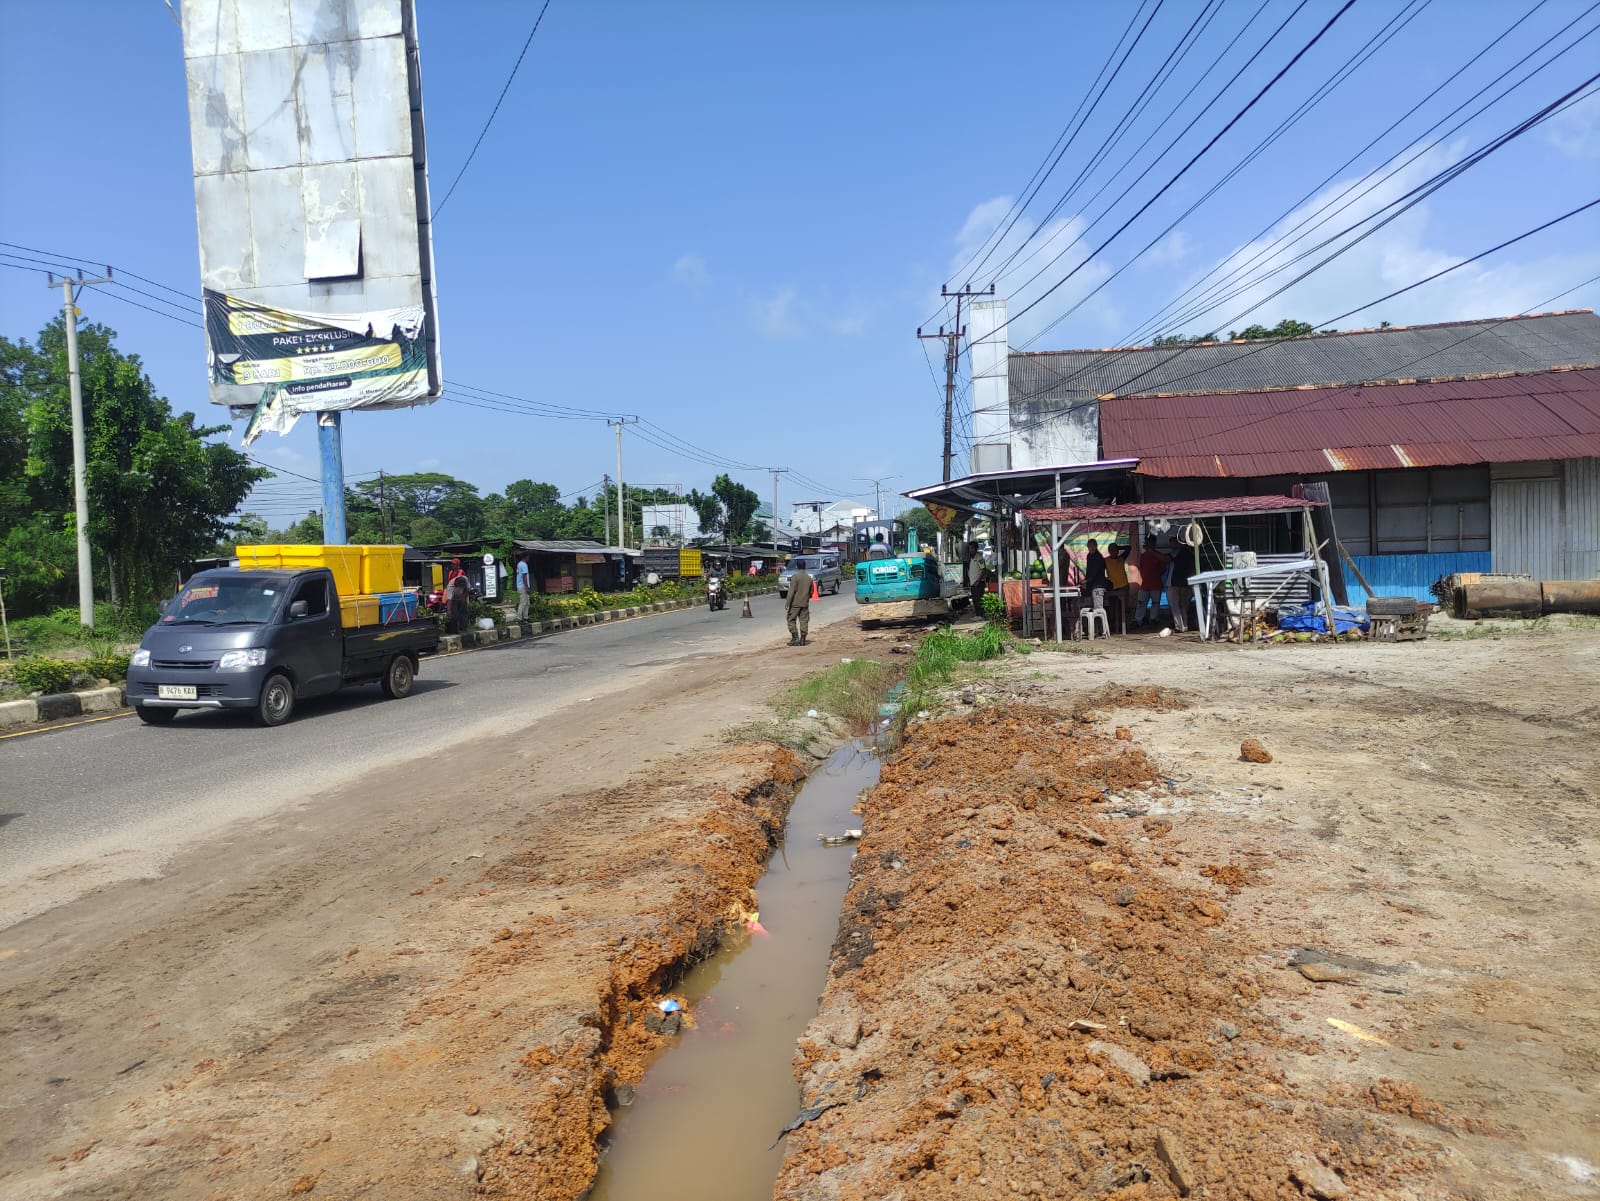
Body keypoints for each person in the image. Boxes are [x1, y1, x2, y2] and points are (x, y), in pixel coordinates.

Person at [1133, 535, 1171, 628]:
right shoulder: (1142, 556)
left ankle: (1153, 619)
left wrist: (1155, 575)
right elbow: (1140, 568)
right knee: (1141, 603)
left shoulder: (1158, 556)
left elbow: (1163, 569)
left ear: (1154, 544)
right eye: (1147, 543)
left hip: (1155, 583)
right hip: (1145, 584)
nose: (1148, 544)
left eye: (1150, 543)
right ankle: (1138, 620)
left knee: (1155, 603)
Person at [1168, 538, 1199, 633]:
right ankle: (1185, 626)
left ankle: (1179, 626)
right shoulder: (1191, 553)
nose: (1170, 544)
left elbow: (1166, 559)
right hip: (1187, 582)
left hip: (1176, 582)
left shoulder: (1177, 552)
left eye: (1172, 542)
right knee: (1183, 606)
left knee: (1175, 606)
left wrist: (1152, 551)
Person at [786, 562, 814, 645]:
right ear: (805, 567)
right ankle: (803, 639)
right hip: (805, 603)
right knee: (804, 621)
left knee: (791, 619)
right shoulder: (809, 578)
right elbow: (811, 592)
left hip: (795, 604)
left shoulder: (795, 577)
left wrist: (787, 603)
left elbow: (791, 591)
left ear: (797, 567)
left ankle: (795, 638)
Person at [1105, 543, 1133, 629]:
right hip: (1112, 588)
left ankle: (1123, 627)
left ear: (1118, 551)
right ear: (1109, 551)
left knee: (1123, 608)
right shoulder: (1105, 561)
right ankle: (1113, 627)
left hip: (1124, 586)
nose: (1114, 551)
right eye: (1111, 550)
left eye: (1115, 550)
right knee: (1112, 608)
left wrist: (1118, 547)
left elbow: (1129, 547)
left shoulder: (1121, 558)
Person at [514, 556, 531, 622]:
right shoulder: (524, 565)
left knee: (527, 603)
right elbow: (524, 577)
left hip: (520, 585)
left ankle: (526, 617)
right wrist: (527, 587)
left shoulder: (519, 564)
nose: (529, 558)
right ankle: (519, 618)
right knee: (523, 603)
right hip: (523, 586)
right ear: (526, 557)